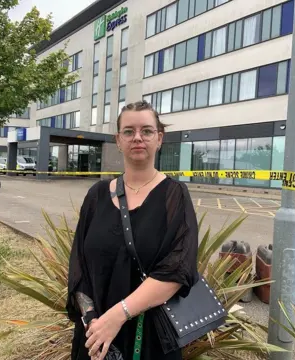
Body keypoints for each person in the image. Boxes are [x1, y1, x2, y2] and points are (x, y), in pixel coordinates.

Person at [67, 100, 199, 360]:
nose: (137, 137)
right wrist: (93, 322)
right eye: (129, 131)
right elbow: (79, 269)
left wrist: (116, 317)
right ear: (118, 140)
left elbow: (177, 270)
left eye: (147, 131)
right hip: (95, 340)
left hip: (150, 341)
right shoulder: (96, 196)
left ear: (159, 138)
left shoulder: (175, 197)